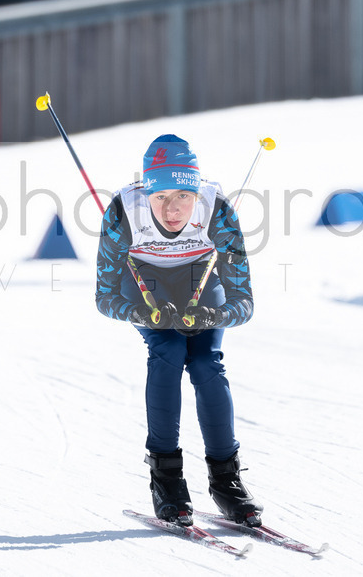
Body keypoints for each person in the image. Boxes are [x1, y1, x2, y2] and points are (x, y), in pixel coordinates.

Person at [95, 134, 263, 527]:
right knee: (168, 350)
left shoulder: (217, 209)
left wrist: (213, 317)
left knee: (206, 361)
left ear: (196, 192)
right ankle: (166, 480)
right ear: (146, 193)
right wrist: (140, 312)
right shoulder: (123, 211)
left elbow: (244, 302)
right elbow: (104, 296)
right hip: (142, 281)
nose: (172, 209)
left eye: (183, 196)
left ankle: (226, 480)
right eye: (160, 197)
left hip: (198, 280)